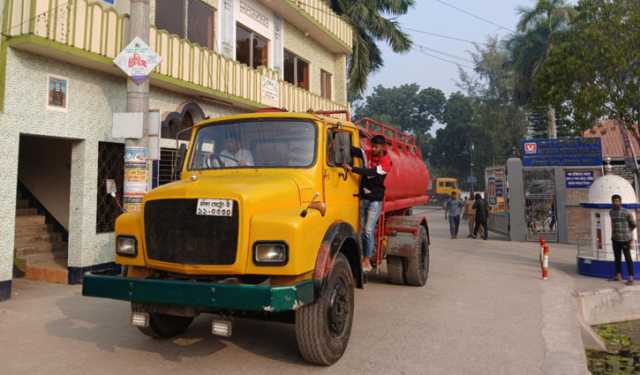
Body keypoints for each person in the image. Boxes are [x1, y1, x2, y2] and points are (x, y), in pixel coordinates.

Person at [344, 135, 392, 272]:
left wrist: (352, 169)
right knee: (361, 230)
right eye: (372, 146)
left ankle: (367, 260)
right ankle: (361, 259)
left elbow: (371, 172)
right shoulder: (368, 153)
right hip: (364, 197)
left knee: (368, 231)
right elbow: (355, 151)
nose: (374, 149)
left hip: (375, 200)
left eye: (376, 147)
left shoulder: (387, 162)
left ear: (383, 147)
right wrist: (337, 141)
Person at [609, 194, 636, 285]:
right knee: (617, 258)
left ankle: (631, 278)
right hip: (615, 239)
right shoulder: (611, 212)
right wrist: (612, 236)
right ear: (612, 202)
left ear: (620, 202)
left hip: (625, 239)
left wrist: (630, 238)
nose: (616, 202)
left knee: (628, 259)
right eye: (614, 201)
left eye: (617, 201)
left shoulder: (626, 212)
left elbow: (633, 224)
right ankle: (618, 275)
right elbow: (613, 224)